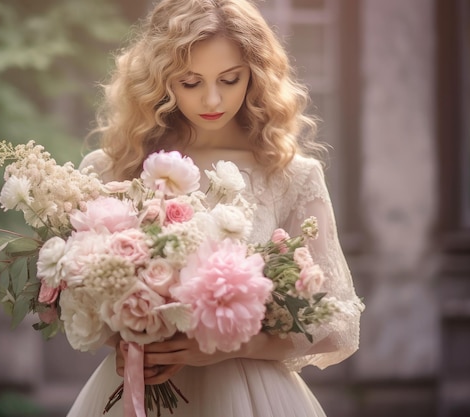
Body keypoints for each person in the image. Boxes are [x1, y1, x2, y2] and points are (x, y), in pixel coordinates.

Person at [68, 0, 364, 415]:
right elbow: (81, 295)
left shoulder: (290, 175)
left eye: (229, 79)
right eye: (190, 82)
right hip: (139, 386)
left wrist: (229, 346)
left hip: (250, 395)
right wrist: (123, 338)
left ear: (255, 76)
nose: (212, 98)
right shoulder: (111, 169)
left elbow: (337, 322)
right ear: (160, 80)